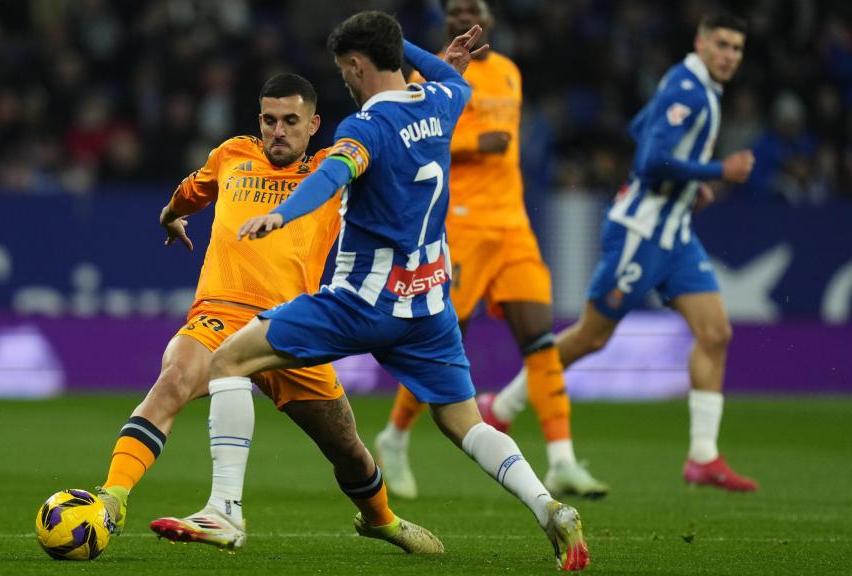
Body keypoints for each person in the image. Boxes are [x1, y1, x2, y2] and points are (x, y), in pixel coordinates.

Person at [158, 12, 589, 570]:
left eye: (344, 70)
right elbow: (450, 74)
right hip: (430, 303)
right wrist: (415, 49)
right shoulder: (445, 100)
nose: (345, 80)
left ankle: (225, 510)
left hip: (360, 302)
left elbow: (333, 174)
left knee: (227, 362)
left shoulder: (365, 127)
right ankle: (546, 506)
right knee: (464, 421)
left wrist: (282, 213)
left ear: (357, 65)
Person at [485, 12, 759, 492]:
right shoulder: (689, 90)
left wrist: (688, 181)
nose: (729, 56)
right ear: (701, 41)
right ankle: (501, 407)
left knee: (715, 332)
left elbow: (640, 127)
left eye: (737, 48)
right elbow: (651, 160)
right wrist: (715, 171)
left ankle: (702, 457)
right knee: (591, 336)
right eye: (721, 45)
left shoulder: (694, 84)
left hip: (675, 232)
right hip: (640, 232)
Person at [93, 73, 346, 551]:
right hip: (221, 313)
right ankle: (113, 498)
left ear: (313, 124)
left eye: (290, 121)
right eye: (269, 120)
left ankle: (384, 519)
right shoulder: (233, 155)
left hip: (291, 327)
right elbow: (190, 192)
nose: (278, 130)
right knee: (173, 380)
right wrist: (170, 215)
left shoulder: (332, 171)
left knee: (346, 449)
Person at [373, 0, 608, 501]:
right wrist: (481, 142)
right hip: (458, 225)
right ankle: (393, 437)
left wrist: (490, 144)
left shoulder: (509, 73)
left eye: (472, 8)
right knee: (442, 337)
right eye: (454, 10)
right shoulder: (425, 74)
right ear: (445, 19)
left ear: (489, 17)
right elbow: (412, 141)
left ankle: (562, 459)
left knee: (539, 336)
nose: (464, 16)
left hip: (513, 225)